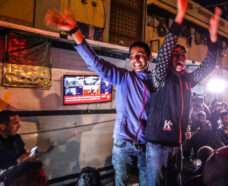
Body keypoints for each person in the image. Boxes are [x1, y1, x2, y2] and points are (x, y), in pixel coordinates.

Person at [45, 1, 186, 185]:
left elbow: (168, 54)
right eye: (132, 56)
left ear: (149, 58)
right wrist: (74, 32)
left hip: (148, 146)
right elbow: (96, 63)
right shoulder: (123, 78)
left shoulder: (157, 80)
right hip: (123, 144)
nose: (136, 59)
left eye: (141, 54)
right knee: (122, 183)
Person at [144, 3, 221, 185]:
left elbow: (208, 65)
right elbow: (163, 54)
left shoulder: (188, 80)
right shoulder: (161, 76)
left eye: (183, 54)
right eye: (175, 54)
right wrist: (179, 16)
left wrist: (212, 38)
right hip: (158, 144)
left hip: (177, 145)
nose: (180, 57)